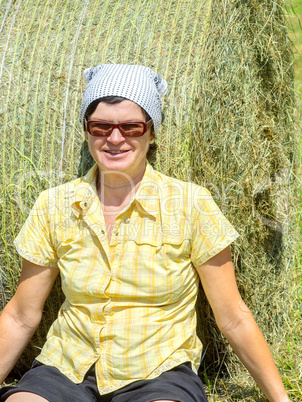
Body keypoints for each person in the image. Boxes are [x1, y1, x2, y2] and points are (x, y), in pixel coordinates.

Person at [0, 64, 289, 402]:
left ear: (151, 133)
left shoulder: (190, 204)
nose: (115, 138)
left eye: (131, 126)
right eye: (101, 126)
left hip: (157, 372)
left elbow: (233, 318)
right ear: (86, 130)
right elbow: (21, 315)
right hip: (67, 367)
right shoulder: (54, 205)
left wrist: (281, 400)